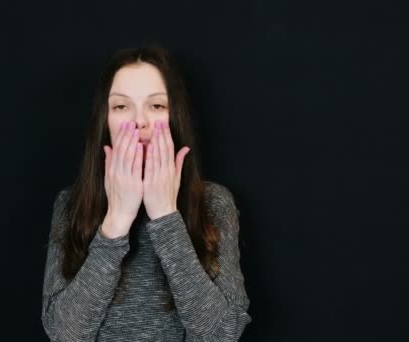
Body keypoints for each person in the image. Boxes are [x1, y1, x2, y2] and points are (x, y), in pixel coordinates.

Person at [41, 45, 252, 341]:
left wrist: (166, 217)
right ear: (105, 122)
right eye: (121, 106)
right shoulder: (71, 205)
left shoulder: (213, 202)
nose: (140, 121)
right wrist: (117, 220)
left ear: (175, 117)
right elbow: (64, 334)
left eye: (156, 106)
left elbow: (220, 334)